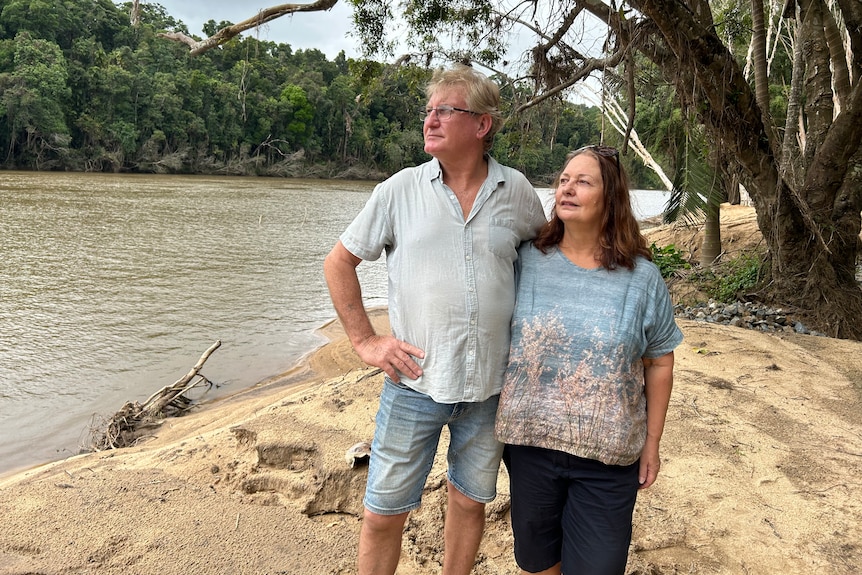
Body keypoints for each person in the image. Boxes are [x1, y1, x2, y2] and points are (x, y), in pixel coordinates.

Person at [323, 65, 547, 575]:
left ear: (482, 124)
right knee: (383, 513)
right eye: (429, 111)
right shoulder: (399, 190)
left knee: (469, 503)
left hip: (491, 388)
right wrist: (365, 341)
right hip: (413, 383)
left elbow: (547, 260)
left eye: (445, 110)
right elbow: (338, 262)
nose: (431, 120)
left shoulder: (516, 191)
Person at [495, 145, 684, 575]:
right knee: (538, 561)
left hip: (609, 459)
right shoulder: (525, 260)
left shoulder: (642, 278)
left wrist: (652, 441)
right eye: (564, 179)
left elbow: (659, 362)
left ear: (610, 197)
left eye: (584, 181)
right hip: (529, 446)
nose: (568, 188)